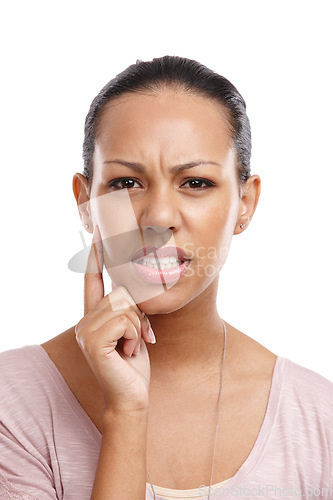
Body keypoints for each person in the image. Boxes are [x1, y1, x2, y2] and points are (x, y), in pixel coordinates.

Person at [0, 55, 332, 500]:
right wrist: (126, 414)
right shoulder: (11, 402)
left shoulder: (319, 418)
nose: (157, 217)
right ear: (85, 202)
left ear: (246, 203)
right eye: (125, 183)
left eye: (195, 183)